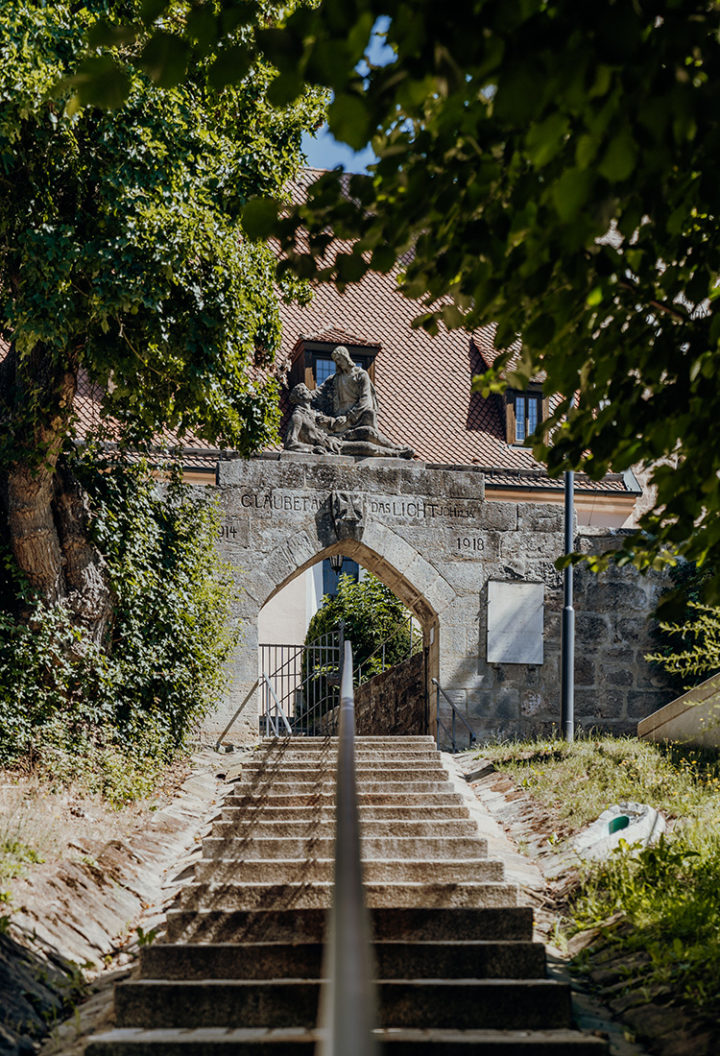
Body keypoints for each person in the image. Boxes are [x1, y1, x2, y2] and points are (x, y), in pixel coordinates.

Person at [312, 346, 414, 458]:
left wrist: (348, 418)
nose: (338, 363)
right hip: (338, 422)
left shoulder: (361, 375)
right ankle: (395, 452)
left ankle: (394, 448)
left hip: (356, 418)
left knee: (369, 433)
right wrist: (304, 394)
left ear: (346, 357)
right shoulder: (334, 379)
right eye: (336, 361)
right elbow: (317, 394)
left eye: (339, 359)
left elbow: (365, 401)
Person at [284, 383, 343, 454]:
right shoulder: (297, 416)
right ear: (300, 396)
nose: (309, 391)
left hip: (334, 441)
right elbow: (290, 443)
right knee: (359, 448)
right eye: (305, 390)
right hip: (329, 447)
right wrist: (312, 448)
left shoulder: (314, 413)